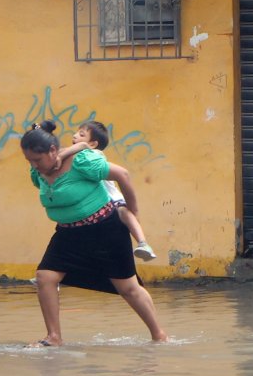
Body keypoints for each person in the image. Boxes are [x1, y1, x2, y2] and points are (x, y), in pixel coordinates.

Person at [22, 120, 168, 346]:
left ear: (52, 151)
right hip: (68, 234)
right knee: (45, 277)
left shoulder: (82, 161)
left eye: (37, 160)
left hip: (105, 230)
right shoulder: (38, 172)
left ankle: (159, 335)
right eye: (29, 161)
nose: (34, 165)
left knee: (128, 289)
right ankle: (54, 337)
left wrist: (134, 211)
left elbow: (123, 175)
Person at [57, 120, 156, 261]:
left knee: (125, 213)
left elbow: (78, 147)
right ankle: (52, 269)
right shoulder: (77, 157)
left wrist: (60, 155)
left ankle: (143, 243)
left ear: (93, 144)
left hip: (110, 198)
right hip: (94, 202)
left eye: (81, 134)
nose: (74, 136)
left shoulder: (94, 154)